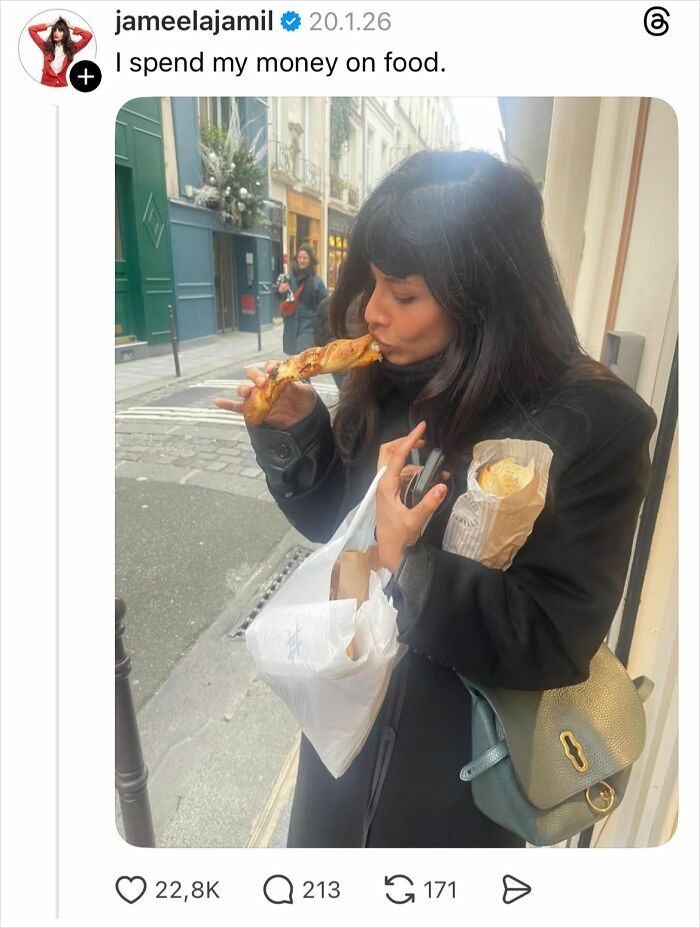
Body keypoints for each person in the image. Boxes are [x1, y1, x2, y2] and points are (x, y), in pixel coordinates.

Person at [215, 150, 657, 848]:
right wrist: (296, 428)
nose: (370, 310)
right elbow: (338, 524)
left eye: (404, 292)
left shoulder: (596, 423)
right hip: (340, 743)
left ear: (485, 294)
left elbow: (554, 638)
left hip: (462, 789)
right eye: (371, 281)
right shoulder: (389, 380)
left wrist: (406, 562)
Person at [277, 245, 328, 356]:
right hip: (291, 327)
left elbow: (325, 306)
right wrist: (281, 291)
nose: (302, 260)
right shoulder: (289, 278)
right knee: (293, 361)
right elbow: (281, 299)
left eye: (305, 257)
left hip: (308, 328)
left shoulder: (317, 282)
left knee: (304, 362)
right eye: (299, 257)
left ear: (311, 260)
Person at [27, 17, 93, 88]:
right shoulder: (46, 47)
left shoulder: (71, 48)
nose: (56, 33)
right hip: (47, 85)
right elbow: (31, 29)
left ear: (65, 33)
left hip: (64, 85)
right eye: (54, 30)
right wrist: (50, 24)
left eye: (60, 30)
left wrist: (70, 26)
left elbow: (88, 36)